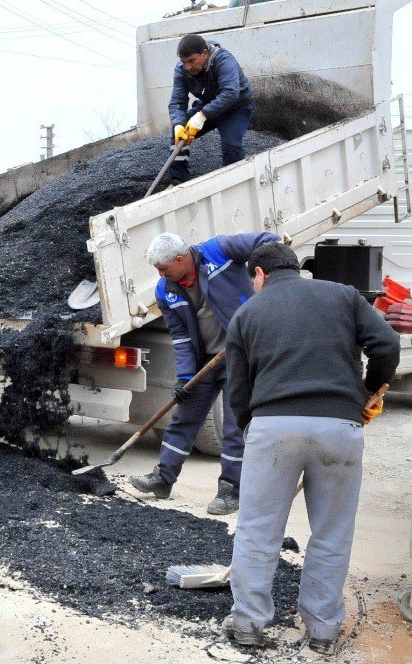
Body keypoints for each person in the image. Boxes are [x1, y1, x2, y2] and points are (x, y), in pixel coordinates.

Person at [222, 243, 400, 653]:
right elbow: (387, 345)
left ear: (260, 274)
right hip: (339, 424)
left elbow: (238, 389)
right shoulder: (342, 295)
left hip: (273, 426)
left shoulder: (247, 314)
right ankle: (322, 631)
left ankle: (248, 623)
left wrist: (254, 428)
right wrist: (369, 389)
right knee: (331, 532)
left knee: (257, 530)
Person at [128, 231, 278, 514]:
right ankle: (163, 478)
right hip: (206, 361)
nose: (160, 274)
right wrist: (185, 377)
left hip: (241, 355)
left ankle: (230, 491)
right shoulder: (166, 290)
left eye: (163, 268)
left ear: (181, 259)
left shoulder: (218, 251)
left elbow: (269, 240)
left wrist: (266, 277)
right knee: (184, 417)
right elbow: (181, 337)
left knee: (234, 425)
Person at [168, 33, 254, 186]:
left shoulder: (224, 60)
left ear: (205, 53)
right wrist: (178, 124)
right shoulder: (181, 69)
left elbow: (230, 93)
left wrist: (201, 116)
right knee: (179, 133)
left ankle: (236, 182)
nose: (187, 67)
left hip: (236, 107)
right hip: (208, 105)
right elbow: (177, 102)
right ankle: (177, 179)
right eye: (184, 62)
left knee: (231, 146)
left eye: (192, 61)